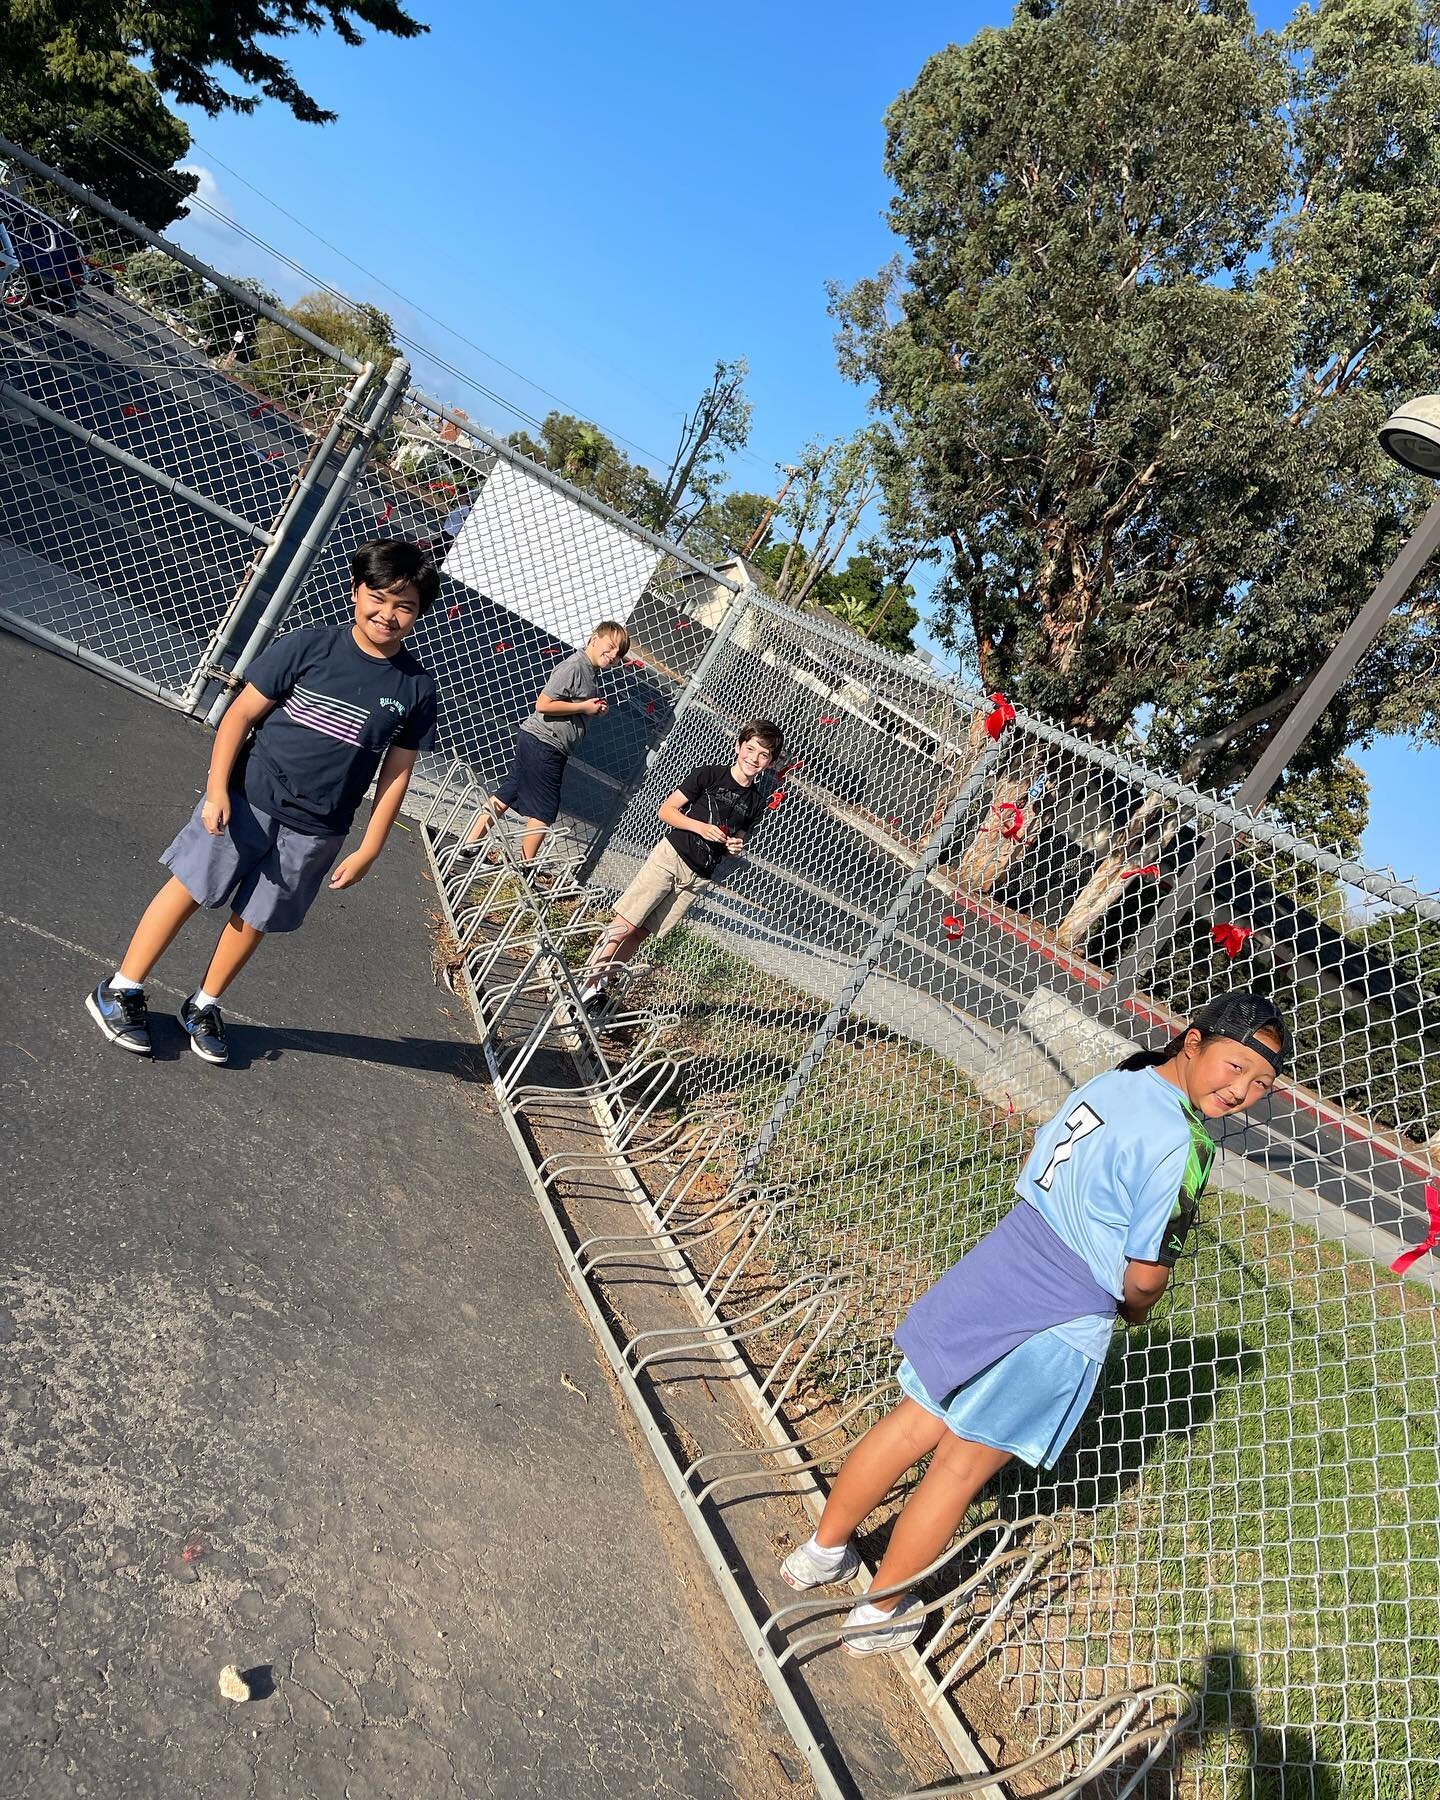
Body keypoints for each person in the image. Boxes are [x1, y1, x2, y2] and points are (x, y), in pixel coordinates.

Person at [778, 989, 1288, 1657]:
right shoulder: (1183, 1142)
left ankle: (821, 1552)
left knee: (914, 1419)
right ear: (1193, 1042)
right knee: (960, 1470)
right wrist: (1136, 1311)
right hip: (1064, 1306)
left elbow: (1039, 1159)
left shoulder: (1122, 1077)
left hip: (1004, 1260)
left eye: (1262, 1084)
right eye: (1234, 1067)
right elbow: (1144, 1272)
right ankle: (879, 1613)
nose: (1242, 1090)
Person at [85, 540, 441, 1067]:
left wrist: (370, 846)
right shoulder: (310, 647)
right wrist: (216, 790)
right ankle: (122, 987)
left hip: (317, 828)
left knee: (254, 917)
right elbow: (238, 716)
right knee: (189, 888)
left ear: (418, 613)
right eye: (379, 598)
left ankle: (204, 1005)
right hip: (247, 801)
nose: (388, 614)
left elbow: (397, 772)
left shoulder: (415, 688)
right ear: (355, 591)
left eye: (404, 606)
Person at [578, 720, 784, 1005]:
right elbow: (667, 811)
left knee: (640, 933)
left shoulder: (756, 802)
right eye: (750, 749)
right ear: (738, 747)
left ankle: (599, 987)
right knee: (625, 924)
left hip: (698, 875)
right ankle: (583, 985)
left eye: (763, 755)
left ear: (771, 762)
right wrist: (699, 827)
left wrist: (734, 847)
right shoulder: (709, 775)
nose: (754, 758)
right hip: (671, 857)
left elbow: (736, 838)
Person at [458, 622, 629, 866]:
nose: (613, 656)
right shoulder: (574, 666)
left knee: (507, 793)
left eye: (619, 654)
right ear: (594, 639)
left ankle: (469, 846)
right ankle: (524, 867)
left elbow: (572, 704)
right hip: (545, 744)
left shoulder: (589, 671)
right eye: (610, 647)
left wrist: (592, 710)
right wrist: (583, 707)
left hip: (540, 741)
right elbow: (544, 704)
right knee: (544, 811)